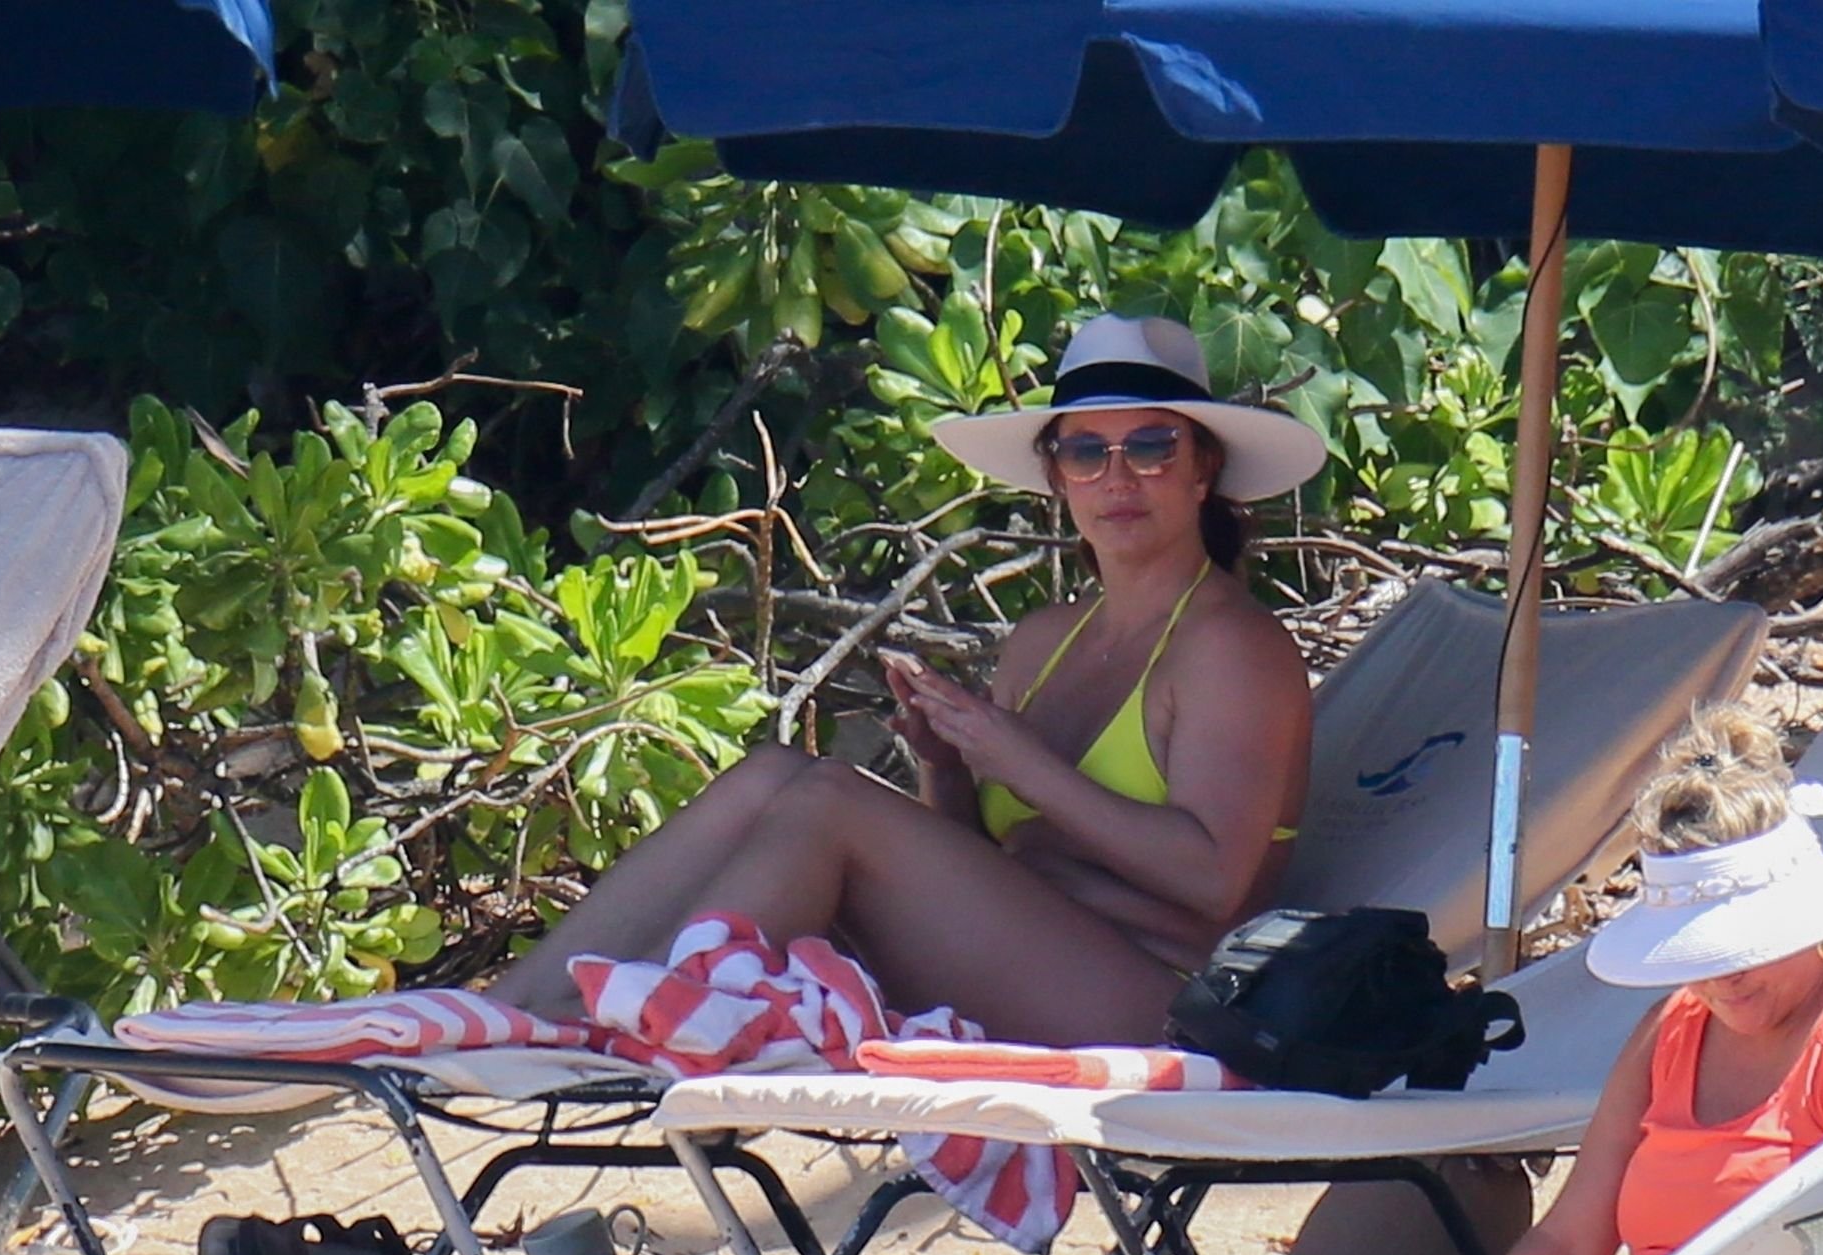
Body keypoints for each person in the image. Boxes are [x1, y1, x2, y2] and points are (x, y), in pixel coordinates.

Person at [486, 313, 1325, 1046]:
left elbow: (1211, 881)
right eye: (1085, 452)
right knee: (776, 773)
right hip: (1012, 960)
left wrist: (1020, 761)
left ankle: (634, 1019)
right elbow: (990, 866)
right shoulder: (1044, 640)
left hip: (1154, 1001)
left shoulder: (1231, 645)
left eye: (1150, 447)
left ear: (1202, 468)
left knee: (830, 801)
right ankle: (513, 1008)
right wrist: (946, 767)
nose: (1118, 477)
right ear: (1056, 476)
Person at [1487, 704, 1823, 1255]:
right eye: (1699, 956)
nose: (1721, 979)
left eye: (1745, 951)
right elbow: (1567, 1243)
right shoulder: (1672, 1029)